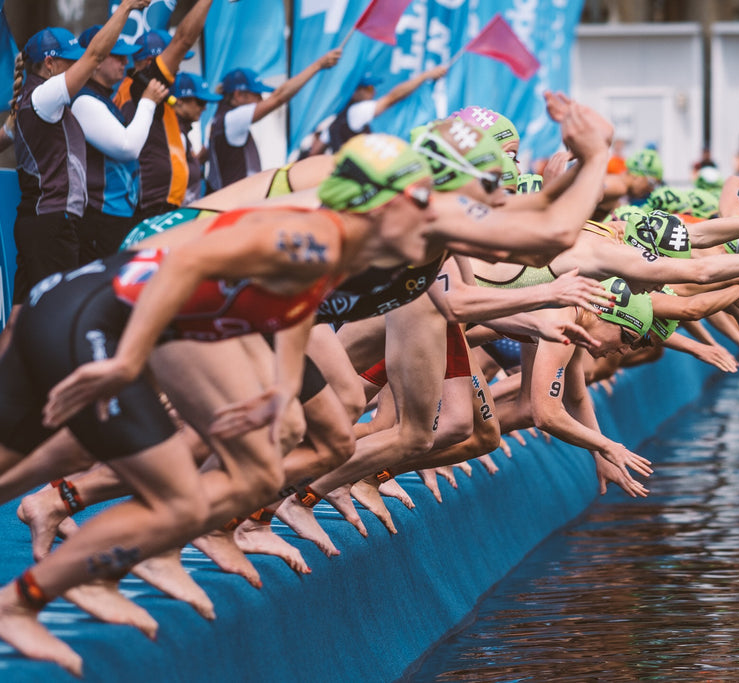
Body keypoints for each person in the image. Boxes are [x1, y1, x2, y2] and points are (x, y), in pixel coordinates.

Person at [0, 134, 439, 674]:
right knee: (180, 500)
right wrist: (128, 359)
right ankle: (33, 595)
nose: (430, 219)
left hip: (92, 307)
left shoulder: (336, 247)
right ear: (382, 205)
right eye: (421, 204)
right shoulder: (312, 236)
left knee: (39, 458)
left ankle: (93, 548)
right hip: (105, 318)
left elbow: (294, 306)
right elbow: (187, 261)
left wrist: (279, 390)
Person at [6, 1, 150, 327]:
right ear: (50, 65)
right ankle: (54, 379)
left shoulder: (32, 102)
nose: (79, 68)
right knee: (60, 319)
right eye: (72, 61)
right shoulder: (44, 98)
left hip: (37, 223)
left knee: (19, 321)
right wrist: (125, 8)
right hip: (53, 225)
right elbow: (96, 56)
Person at [72, 24, 167, 261]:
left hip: (116, 216)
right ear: (95, 60)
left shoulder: (101, 98)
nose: (125, 61)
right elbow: (128, 148)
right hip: (100, 218)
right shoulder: (84, 100)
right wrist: (147, 102)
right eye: (117, 56)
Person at [115, 0, 214, 219]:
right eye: (176, 62)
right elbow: (184, 40)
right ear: (153, 61)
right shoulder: (143, 84)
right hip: (152, 207)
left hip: (159, 205)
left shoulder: (142, 87)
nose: (178, 70)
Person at [207, 48, 341, 190]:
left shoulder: (219, 118)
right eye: (257, 94)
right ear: (239, 94)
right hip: (234, 200)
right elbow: (278, 98)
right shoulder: (233, 118)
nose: (261, 99)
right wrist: (318, 65)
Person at [308, 65, 448, 156]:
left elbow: (315, 151)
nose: (373, 93)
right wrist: (425, 76)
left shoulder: (335, 119)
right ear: (354, 92)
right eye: (368, 89)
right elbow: (393, 97)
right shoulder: (357, 111)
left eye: (373, 88)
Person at [170, 72, 220, 204]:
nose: (204, 108)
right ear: (179, 100)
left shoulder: (181, 131)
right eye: (200, 102)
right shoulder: (174, 134)